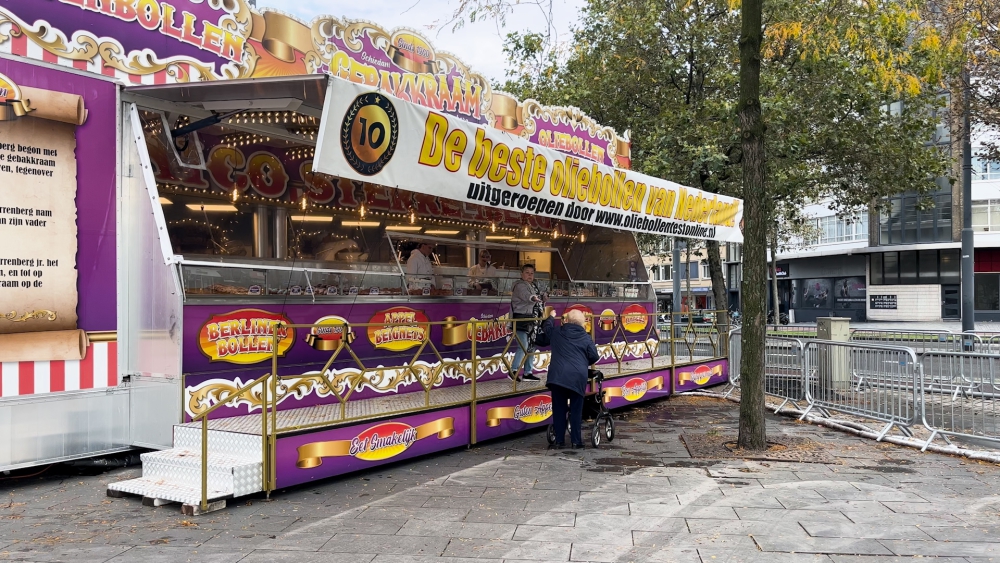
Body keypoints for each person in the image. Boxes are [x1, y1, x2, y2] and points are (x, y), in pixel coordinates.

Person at [542, 309, 599, 449]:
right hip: (577, 377)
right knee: (576, 409)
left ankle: (559, 441)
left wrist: (551, 317)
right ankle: (576, 441)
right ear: (583, 323)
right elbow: (594, 356)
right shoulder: (586, 337)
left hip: (558, 377)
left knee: (559, 408)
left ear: (566, 320)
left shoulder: (557, 332)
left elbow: (546, 328)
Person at [510, 263, 544, 381]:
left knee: (531, 345)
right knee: (523, 345)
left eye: (531, 273)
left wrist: (542, 298)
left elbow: (536, 298)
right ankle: (513, 370)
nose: (529, 275)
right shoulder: (519, 285)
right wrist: (534, 298)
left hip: (531, 319)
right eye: (527, 273)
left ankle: (528, 372)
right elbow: (527, 296)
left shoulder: (533, 286)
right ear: (521, 274)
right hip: (521, 319)